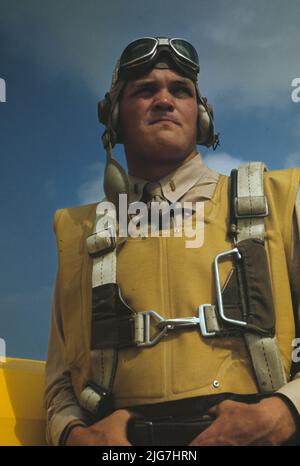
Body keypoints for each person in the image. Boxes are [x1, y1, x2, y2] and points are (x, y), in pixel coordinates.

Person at [44, 37, 300, 446]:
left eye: (180, 90)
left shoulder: (281, 199)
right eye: (145, 90)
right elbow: (59, 383)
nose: (164, 100)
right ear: (113, 119)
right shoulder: (78, 233)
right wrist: (75, 436)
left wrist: (284, 412)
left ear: (200, 117)